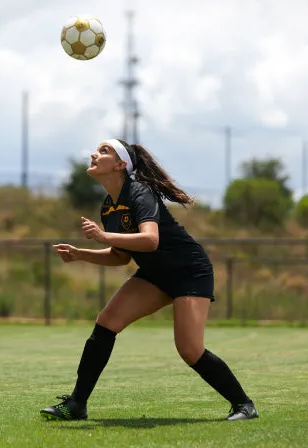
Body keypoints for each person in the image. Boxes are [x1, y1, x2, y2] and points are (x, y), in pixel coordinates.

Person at [40, 138, 258, 422]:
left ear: (120, 165)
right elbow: (121, 256)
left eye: (103, 150)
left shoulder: (139, 192)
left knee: (190, 350)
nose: (94, 153)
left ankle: (244, 405)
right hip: (156, 275)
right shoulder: (109, 206)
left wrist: (104, 236)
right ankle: (77, 404)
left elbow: (150, 240)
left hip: (189, 271)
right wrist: (82, 254)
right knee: (107, 322)